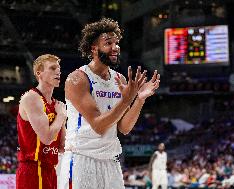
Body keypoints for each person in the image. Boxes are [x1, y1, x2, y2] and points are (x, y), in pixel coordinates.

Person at [58, 17, 160, 189]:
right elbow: (98, 125)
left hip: (110, 161)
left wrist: (139, 99)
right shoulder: (77, 79)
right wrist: (127, 99)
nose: (115, 48)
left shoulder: (119, 79)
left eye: (117, 43)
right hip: (81, 159)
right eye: (108, 43)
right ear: (94, 48)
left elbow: (124, 128)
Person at [16, 54, 67, 189]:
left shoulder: (57, 105)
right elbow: (46, 138)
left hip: (50, 169)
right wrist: (61, 116)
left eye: (59, 69)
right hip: (33, 168)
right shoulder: (31, 98)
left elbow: (62, 146)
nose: (58, 72)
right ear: (39, 74)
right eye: (52, 68)